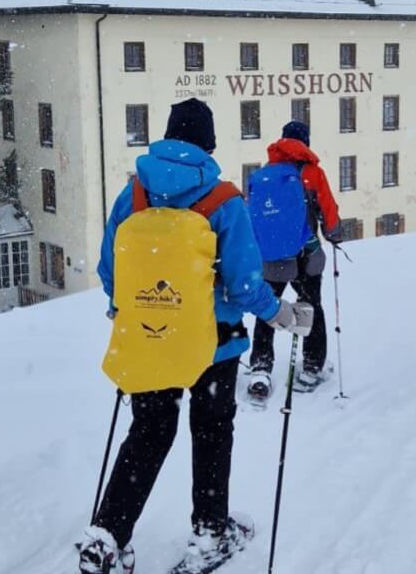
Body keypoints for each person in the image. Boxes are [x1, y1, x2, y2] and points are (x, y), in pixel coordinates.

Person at [77, 99, 313, 574]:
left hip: (149, 339)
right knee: (211, 433)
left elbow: (109, 268)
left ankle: (106, 538)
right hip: (214, 344)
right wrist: (282, 315)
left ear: (167, 137)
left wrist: (129, 312)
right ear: (208, 144)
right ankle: (209, 533)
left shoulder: (135, 195)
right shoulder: (223, 200)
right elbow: (247, 284)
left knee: (147, 432)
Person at [246, 120, 343, 401]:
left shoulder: (263, 175)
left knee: (268, 310)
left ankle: (261, 368)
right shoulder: (312, 173)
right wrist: (334, 234)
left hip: (270, 259)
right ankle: (311, 367)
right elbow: (329, 211)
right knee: (311, 306)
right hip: (305, 256)